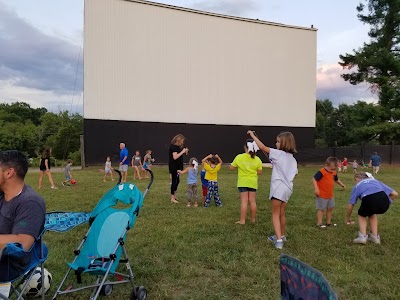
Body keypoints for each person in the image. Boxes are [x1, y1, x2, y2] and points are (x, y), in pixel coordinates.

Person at [0, 150, 46, 282]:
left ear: (9, 172)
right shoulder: (2, 196)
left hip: (8, 264)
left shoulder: (30, 202)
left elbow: (22, 243)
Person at [248, 130, 297, 250]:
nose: (276, 143)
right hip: (288, 189)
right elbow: (294, 173)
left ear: (284, 143)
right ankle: (282, 235)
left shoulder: (278, 154)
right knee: (281, 213)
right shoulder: (293, 160)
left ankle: (278, 240)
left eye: (278, 141)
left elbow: (263, 147)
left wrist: (253, 135)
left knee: (275, 214)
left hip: (278, 189)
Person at [346, 172, 397, 244]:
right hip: (384, 202)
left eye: (355, 180)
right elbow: (395, 194)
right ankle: (375, 237)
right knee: (371, 213)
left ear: (357, 178)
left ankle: (362, 237)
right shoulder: (375, 181)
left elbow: (351, 204)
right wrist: (386, 202)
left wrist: (348, 218)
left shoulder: (357, 185)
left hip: (369, 200)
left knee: (362, 214)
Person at [230, 139, 262, 224]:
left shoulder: (239, 157)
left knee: (244, 201)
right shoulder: (257, 159)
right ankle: (252, 219)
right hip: (253, 182)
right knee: (252, 201)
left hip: (242, 182)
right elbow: (259, 172)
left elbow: (231, 168)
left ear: (245, 147)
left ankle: (242, 220)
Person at [312, 157, 346, 228]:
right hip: (322, 195)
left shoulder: (334, 172)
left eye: (334, 169)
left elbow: (336, 179)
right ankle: (320, 223)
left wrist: (342, 184)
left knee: (330, 208)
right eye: (331, 169)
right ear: (326, 165)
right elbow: (314, 179)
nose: (333, 171)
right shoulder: (322, 172)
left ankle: (328, 223)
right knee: (321, 209)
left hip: (330, 195)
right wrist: (316, 188)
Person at [168, 134, 188, 204]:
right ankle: (172, 198)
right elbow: (175, 157)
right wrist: (182, 152)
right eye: (182, 140)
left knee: (177, 181)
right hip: (174, 167)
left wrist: (183, 151)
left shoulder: (177, 147)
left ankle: (174, 196)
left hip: (178, 167)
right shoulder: (173, 147)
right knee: (174, 181)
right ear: (178, 140)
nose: (182, 142)